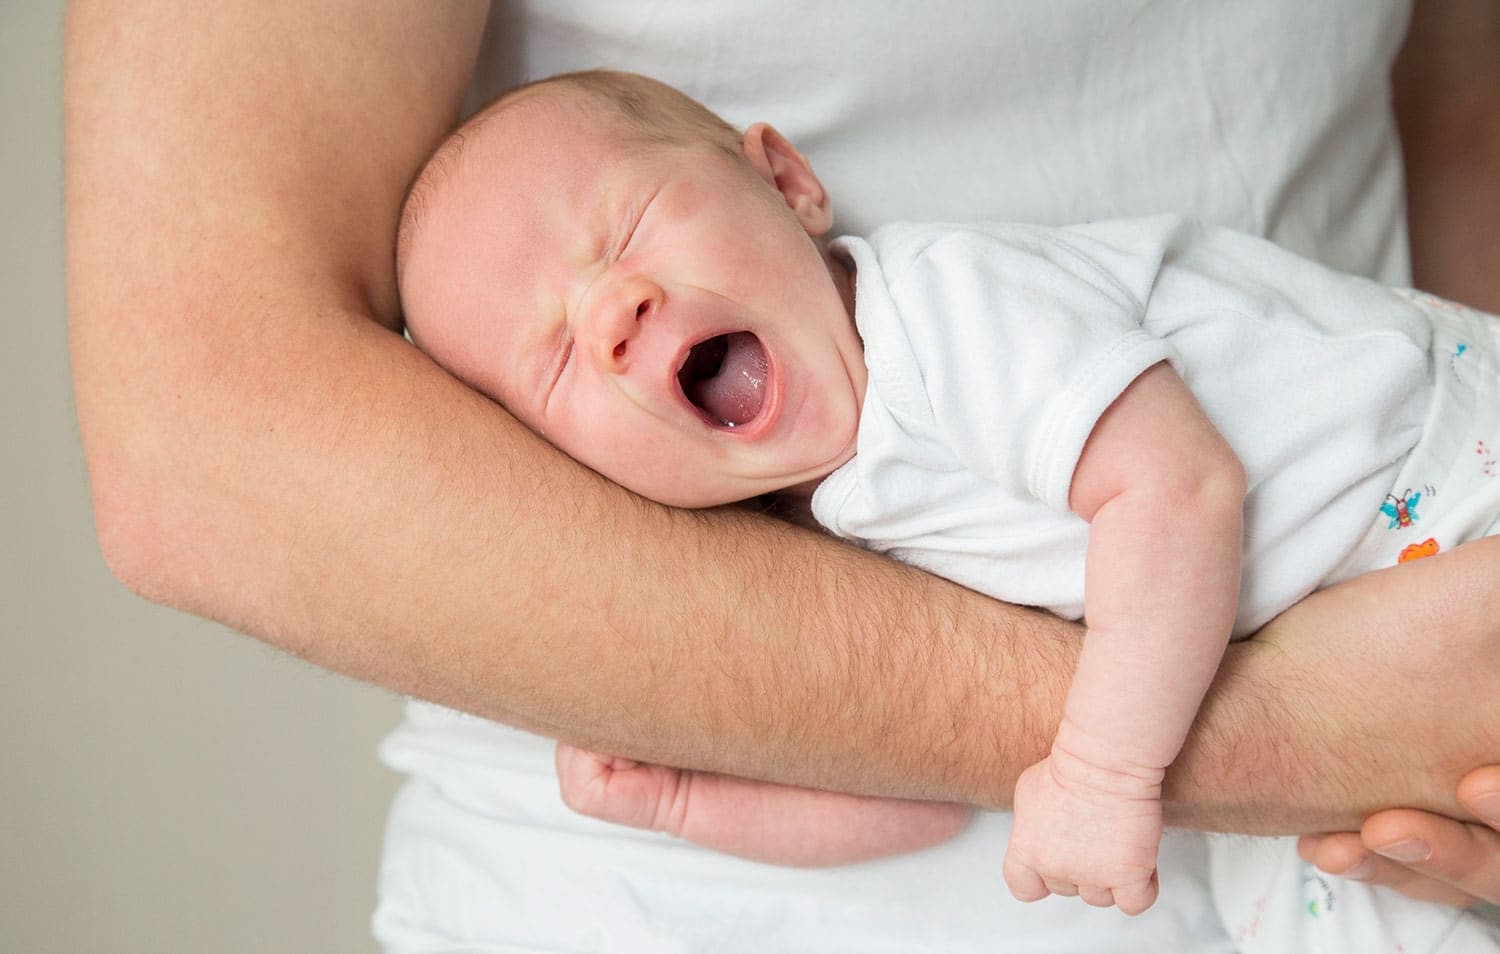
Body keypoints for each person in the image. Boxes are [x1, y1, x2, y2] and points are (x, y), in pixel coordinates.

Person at [62, 1, 1500, 950]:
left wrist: (1144, 761)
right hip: (1283, 755)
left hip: (1394, 552)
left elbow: (1177, 491)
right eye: (557, 361)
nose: (611, 310)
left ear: (789, 183)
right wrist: (698, 793)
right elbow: (920, 797)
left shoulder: (945, 319)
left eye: (627, 224)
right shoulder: (797, 507)